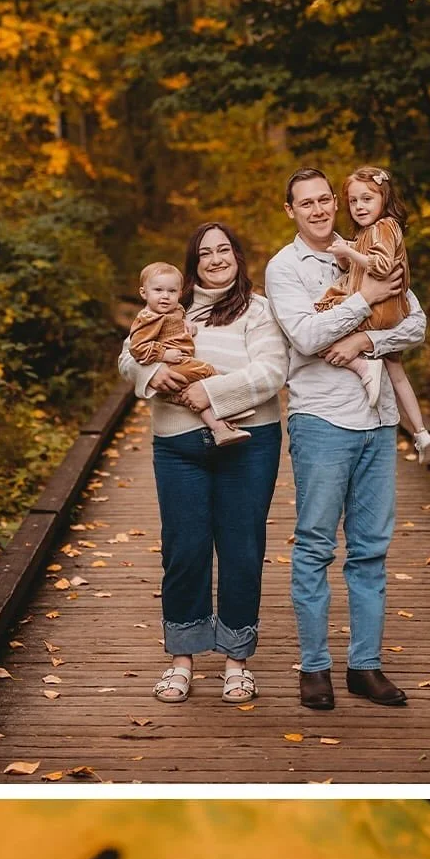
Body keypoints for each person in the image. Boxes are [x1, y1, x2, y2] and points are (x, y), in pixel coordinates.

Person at [264, 166, 427, 712]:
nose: (317, 209)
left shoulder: (370, 242)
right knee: (314, 546)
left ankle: (365, 666)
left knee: (371, 550)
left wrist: (362, 339)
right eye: (304, 203)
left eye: (324, 199)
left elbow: (415, 324)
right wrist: (366, 300)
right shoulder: (285, 268)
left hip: (379, 420)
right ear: (290, 211)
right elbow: (306, 337)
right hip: (322, 420)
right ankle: (315, 668)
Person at [118, 223, 289, 705]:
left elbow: (272, 372)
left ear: (237, 255)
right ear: (193, 261)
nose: (216, 259)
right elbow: (128, 359)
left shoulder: (260, 310)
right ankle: (182, 660)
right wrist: (157, 373)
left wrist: (207, 391)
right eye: (205, 252)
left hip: (250, 442)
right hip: (176, 445)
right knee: (184, 549)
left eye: (224, 250)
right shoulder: (170, 303)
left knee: (241, 549)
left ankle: (237, 662)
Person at [316, 166, 430, 464]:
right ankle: (422, 433)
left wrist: (350, 251)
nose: (359, 207)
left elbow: (381, 267)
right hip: (390, 313)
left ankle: (362, 366)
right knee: (397, 373)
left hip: (377, 309)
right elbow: (354, 269)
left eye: (367, 199)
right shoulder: (367, 233)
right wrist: (344, 253)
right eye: (354, 201)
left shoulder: (384, 227)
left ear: (384, 198)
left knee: (318, 324)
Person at [128, 260, 251, 447]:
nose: (165, 296)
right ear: (144, 293)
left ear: (180, 293)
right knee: (207, 371)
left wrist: (186, 324)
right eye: (158, 290)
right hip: (173, 364)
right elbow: (137, 348)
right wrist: (163, 355)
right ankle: (228, 405)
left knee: (194, 396)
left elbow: (176, 319)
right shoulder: (148, 318)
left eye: (171, 291)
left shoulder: (175, 309)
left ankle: (220, 429)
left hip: (182, 362)